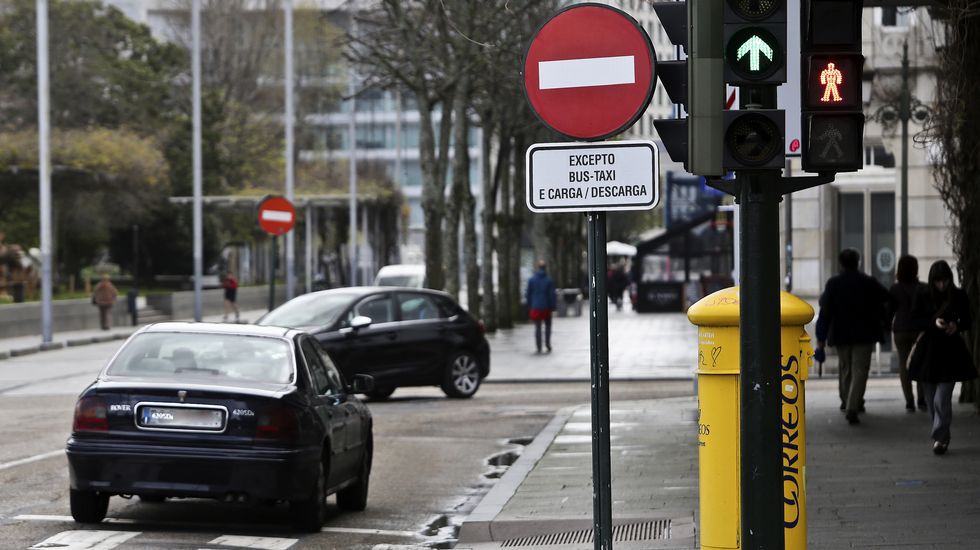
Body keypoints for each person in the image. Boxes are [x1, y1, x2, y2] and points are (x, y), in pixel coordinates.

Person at [815, 248, 891, 425]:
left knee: (846, 369)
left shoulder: (833, 284)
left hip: (841, 334)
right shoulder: (868, 282)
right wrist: (882, 319)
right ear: (858, 262)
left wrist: (821, 338)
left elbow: (825, 311)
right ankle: (853, 405)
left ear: (840, 264)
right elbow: (886, 298)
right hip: (864, 334)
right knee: (860, 371)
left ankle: (847, 401)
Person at [909, 260, 976, 455]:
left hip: (951, 352)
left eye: (945, 281)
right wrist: (933, 322)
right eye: (938, 281)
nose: (941, 285)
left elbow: (968, 321)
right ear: (932, 280)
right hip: (928, 352)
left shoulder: (959, 295)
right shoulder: (922, 295)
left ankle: (940, 434)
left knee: (942, 399)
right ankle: (942, 437)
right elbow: (914, 320)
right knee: (931, 400)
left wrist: (956, 325)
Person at [888, 255, 931, 412]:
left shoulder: (895, 288)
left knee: (903, 364)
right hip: (920, 330)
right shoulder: (924, 288)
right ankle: (922, 399)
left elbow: (890, 311)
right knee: (920, 363)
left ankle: (909, 401)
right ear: (916, 269)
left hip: (901, 330)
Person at [526, 260, 557, 354]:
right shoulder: (549, 280)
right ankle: (547, 344)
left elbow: (528, 294)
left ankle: (539, 346)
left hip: (536, 307)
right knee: (548, 326)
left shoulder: (531, 280)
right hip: (546, 307)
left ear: (537, 268)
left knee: (537, 327)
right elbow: (552, 295)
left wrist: (530, 305)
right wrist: (553, 307)